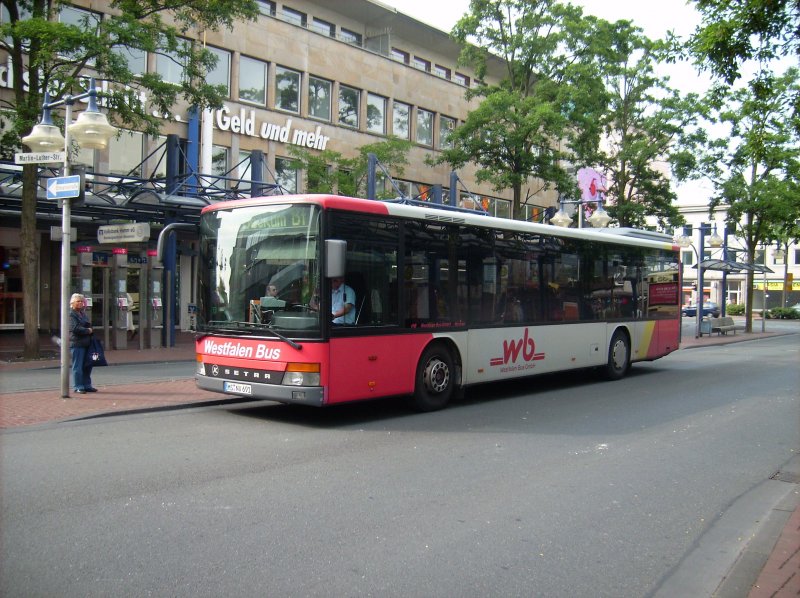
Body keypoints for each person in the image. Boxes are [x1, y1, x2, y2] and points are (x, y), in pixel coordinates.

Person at [68, 293, 97, 394]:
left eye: (81, 301)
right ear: (72, 303)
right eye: (78, 301)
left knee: (87, 365)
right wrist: (88, 331)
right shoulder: (71, 314)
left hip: (86, 343)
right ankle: (78, 386)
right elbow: (75, 328)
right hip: (77, 343)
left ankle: (87, 385)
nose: (80, 303)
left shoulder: (83, 314)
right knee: (78, 366)